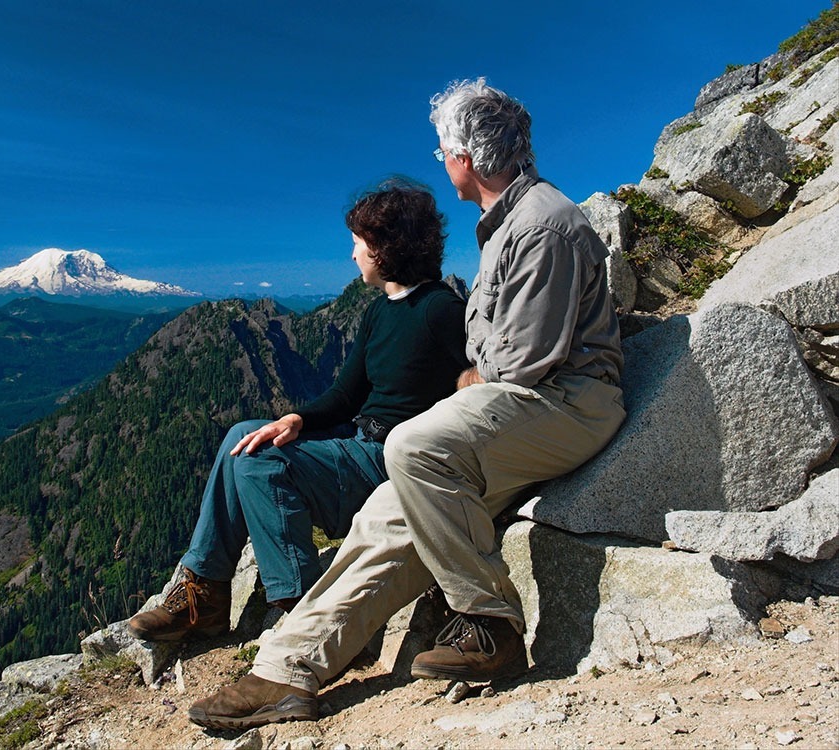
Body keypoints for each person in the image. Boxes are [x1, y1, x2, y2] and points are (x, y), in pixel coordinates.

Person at [188, 78, 626, 730]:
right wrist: (472, 379)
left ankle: (488, 621)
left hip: (565, 404)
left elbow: (524, 363)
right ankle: (285, 671)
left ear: (464, 158)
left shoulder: (544, 227)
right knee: (388, 516)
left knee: (414, 445)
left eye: (441, 149)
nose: (440, 160)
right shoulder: (507, 227)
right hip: (526, 409)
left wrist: (467, 382)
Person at [127, 180, 469, 643]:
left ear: (386, 246)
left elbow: (478, 383)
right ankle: (203, 592)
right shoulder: (379, 313)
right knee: (242, 435)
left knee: (259, 458)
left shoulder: (441, 310)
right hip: (360, 446)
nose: (352, 255)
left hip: (391, 463)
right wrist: (297, 419)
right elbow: (346, 396)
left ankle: (307, 607)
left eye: (358, 243)